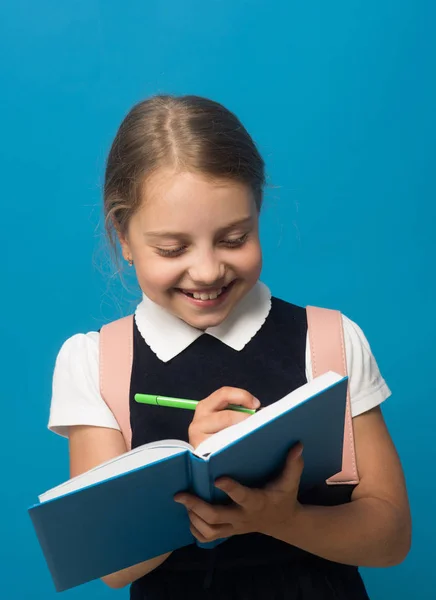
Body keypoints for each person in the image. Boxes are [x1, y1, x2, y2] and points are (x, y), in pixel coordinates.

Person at [48, 94, 411, 599]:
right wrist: (197, 469)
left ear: (257, 213)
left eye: (234, 238)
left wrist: (281, 518)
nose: (207, 271)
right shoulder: (95, 361)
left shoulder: (331, 339)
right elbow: (112, 565)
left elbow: (391, 538)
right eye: (172, 249)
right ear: (123, 238)